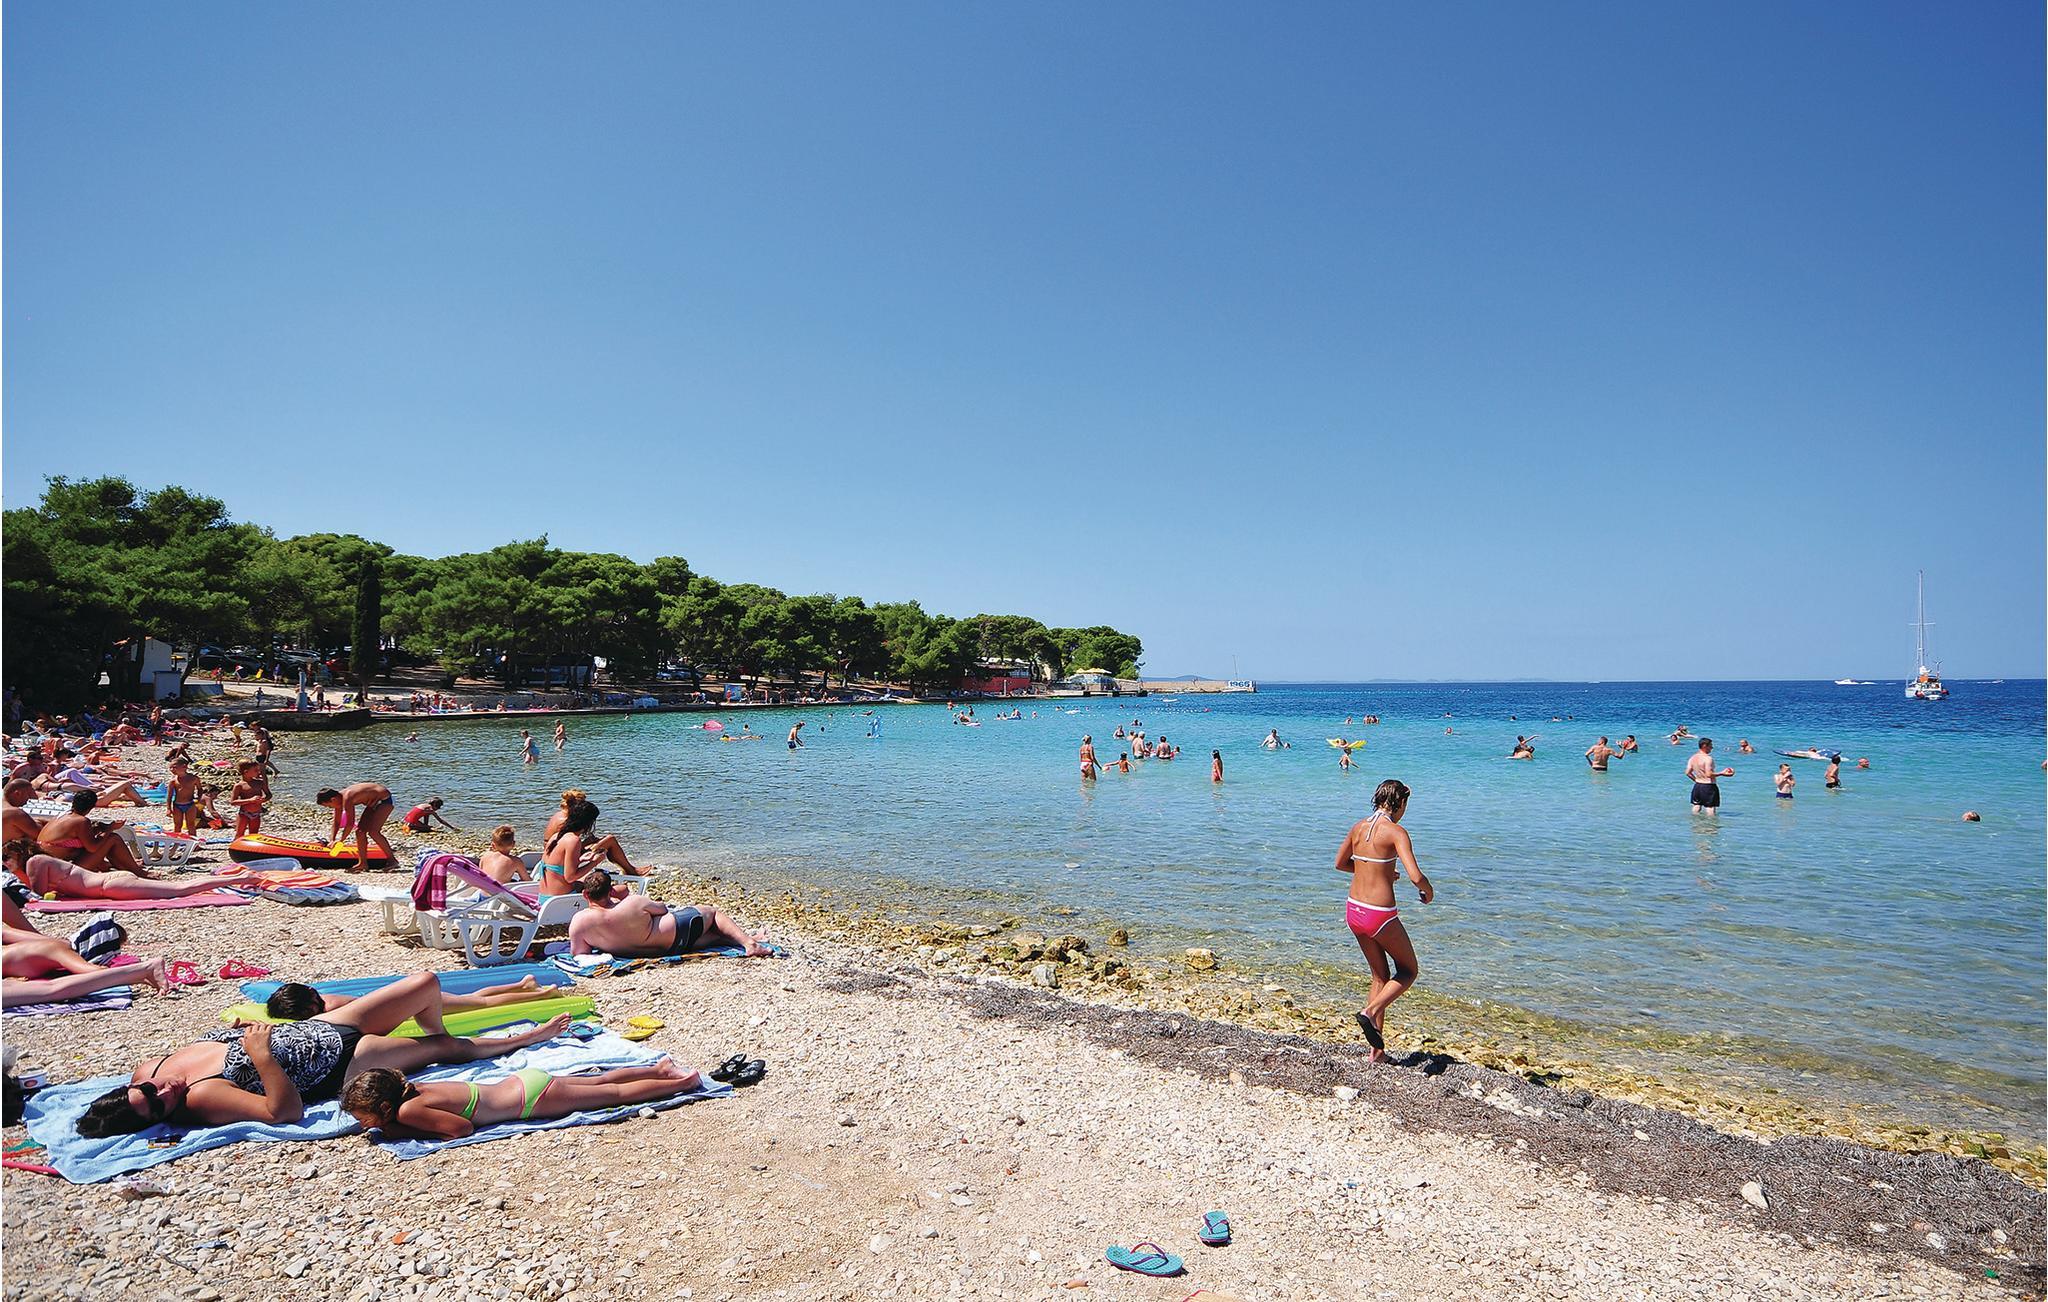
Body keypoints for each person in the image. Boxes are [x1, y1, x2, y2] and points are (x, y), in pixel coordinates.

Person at [75, 974, 573, 1135]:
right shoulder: (200, 1100)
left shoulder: (152, 1068)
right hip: (338, 1065)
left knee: (424, 983)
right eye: (159, 1106)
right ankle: (521, 1040)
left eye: (148, 1091)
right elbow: (284, 1113)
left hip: (321, 1028)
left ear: (133, 1083)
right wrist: (261, 1055)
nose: (164, 1092)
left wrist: (243, 1034)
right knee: (439, 1047)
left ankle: (450, 1043)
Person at [342, 1058, 701, 1140]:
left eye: (363, 1117)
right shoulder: (415, 1088)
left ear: (385, 1107)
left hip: (531, 1100)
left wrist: (398, 1131)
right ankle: (659, 1068)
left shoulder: (409, 1110)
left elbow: (461, 1129)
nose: (362, 1124)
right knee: (602, 1079)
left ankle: (683, 1082)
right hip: (523, 1082)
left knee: (614, 1094)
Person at [1333, 779, 1433, 1063]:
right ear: (1399, 803)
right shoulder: (1396, 832)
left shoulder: (1358, 827)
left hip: (1354, 910)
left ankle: (1376, 1052)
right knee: (1408, 971)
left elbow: (1340, 864)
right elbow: (1416, 876)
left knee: (1380, 976)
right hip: (1379, 914)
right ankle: (1370, 1011)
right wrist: (1428, 891)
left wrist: (1380, 873)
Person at [566, 871, 770, 957]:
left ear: (585, 894)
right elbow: (662, 909)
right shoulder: (631, 903)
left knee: (712, 937)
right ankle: (750, 944)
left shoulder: (579, 922)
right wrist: (625, 899)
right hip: (676, 936)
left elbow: (580, 954)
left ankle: (750, 938)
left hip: (656, 951)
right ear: (611, 890)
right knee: (711, 913)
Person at [5, 838, 246, 901]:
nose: (5, 862)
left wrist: (15, 871)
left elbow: (37, 893)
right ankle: (235, 877)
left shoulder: (34, 863)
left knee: (179, 889)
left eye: (6, 858)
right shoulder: (40, 861)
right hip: (110, 882)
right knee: (177, 888)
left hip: (110, 885)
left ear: (18, 854)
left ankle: (239, 877)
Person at [255, 974, 562, 1023]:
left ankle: (541, 994)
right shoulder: (322, 997)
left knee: (478, 1004)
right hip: (404, 998)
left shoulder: (328, 1010)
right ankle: (523, 984)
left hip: (412, 1004)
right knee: (471, 997)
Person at [537, 800, 639, 894]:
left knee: (590, 878)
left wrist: (580, 860)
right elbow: (570, 877)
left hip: (544, 895)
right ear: (588, 824)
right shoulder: (573, 840)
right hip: (561, 898)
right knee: (623, 889)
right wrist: (595, 862)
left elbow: (557, 866)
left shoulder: (556, 836)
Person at [35, 793, 149, 874]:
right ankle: (138, 871)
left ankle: (127, 866)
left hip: (47, 864)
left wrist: (99, 829)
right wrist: (109, 828)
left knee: (103, 841)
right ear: (91, 807)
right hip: (61, 869)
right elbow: (93, 847)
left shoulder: (62, 816)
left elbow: (76, 838)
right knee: (112, 838)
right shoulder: (81, 821)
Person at [315, 782, 396, 870]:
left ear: (333, 799)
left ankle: (392, 861)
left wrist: (341, 840)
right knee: (359, 832)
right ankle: (363, 863)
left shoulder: (347, 798)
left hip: (385, 800)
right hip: (372, 803)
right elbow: (336, 822)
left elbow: (350, 824)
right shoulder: (338, 800)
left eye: (329, 806)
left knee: (373, 832)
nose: (330, 808)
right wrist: (332, 840)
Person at [1685, 738, 1734, 815]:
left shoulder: (1693, 758)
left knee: (1696, 806)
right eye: (1710, 746)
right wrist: (1722, 773)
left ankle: (1694, 822)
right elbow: (1709, 774)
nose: (1712, 748)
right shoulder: (1708, 758)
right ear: (1704, 746)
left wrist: (1696, 780)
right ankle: (1711, 823)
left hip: (1698, 786)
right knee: (1710, 808)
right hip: (1708, 786)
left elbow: (1687, 773)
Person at [230, 761, 268, 838]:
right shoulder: (239, 785)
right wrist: (250, 800)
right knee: (239, 834)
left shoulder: (260, 783)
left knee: (253, 835)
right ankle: (236, 845)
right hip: (244, 813)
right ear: (246, 772)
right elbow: (233, 802)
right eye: (256, 770)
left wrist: (264, 799)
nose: (259, 772)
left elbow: (269, 795)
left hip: (256, 813)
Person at [165, 760, 202, 836]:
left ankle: (194, 841)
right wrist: (168, 808)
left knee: (191, 825)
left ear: (184, 767)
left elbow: (200, 789)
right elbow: (169, 795)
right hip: (177, 805)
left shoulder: (194, 778)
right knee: (178, 825)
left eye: (174, 767)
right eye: (170, 768)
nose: (172, 770)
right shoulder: (173, 781)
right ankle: (176, 841)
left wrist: (199, 798)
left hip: (190, 804)